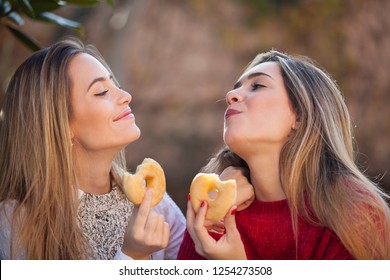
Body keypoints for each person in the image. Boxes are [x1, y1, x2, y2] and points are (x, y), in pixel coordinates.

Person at [177, 50, 390, 260]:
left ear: (300, 115)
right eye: (236, 88)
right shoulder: (220, 208)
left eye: (257, 86)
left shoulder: (352, 211)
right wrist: (211, 214)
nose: (230, 96)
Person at [0, 37, 185, 260]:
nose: (126, 96)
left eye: (115, 85)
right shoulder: (13, 223)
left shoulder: (156, 204)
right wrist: (132, 258)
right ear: (60, 124)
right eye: (101, 92)